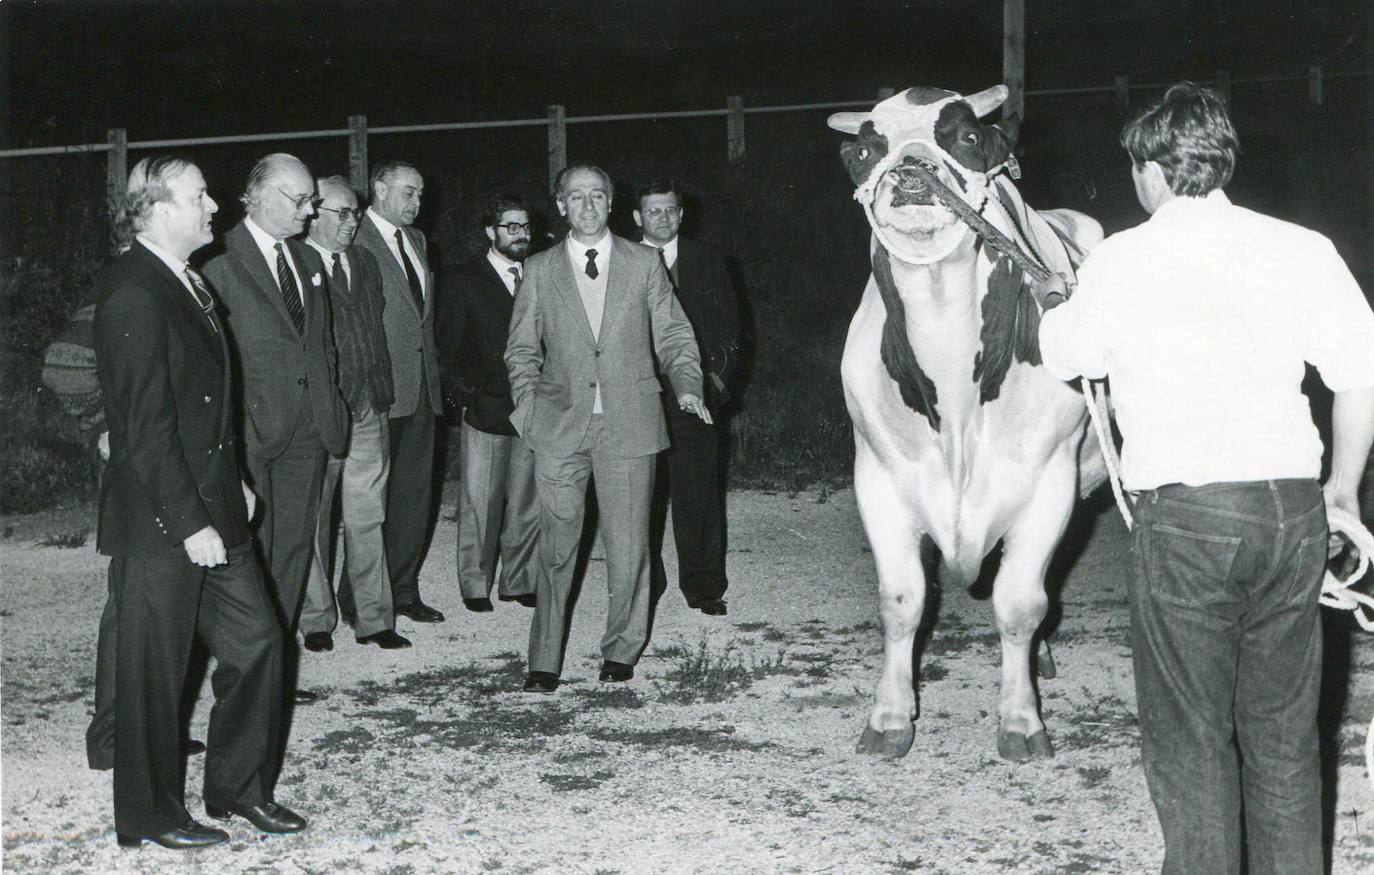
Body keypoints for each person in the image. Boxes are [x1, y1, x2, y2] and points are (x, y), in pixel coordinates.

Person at [1036, 82, 1374, 874]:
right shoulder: (1302, 247)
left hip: (1187, 519)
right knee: (1285, 742)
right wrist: (1344, 489)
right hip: (1290, 512)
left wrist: (1063, 299)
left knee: (1193, 745)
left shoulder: (1123, 257)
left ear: (1151, 170)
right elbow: (1361, 371)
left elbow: (1065, 355)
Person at [92, 155, 305, 849]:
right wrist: (190, 524)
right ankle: (151, 815)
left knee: (261, 642)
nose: (214, 206)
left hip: (212, 502)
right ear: (154, 209)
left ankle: (239, 788)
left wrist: (232, 480)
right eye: (199, 196)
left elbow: (203, 407)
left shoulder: (184, 281)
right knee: (156, 671)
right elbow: (143, 430)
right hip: (164, 521)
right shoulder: (133, 291)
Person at [506, 164, 708, 693]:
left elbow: (674, 333)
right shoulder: (540, 269)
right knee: (555, 547)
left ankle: (620, 650)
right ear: (561, 206)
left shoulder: (644, 263)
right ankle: (544, 659)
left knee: (628, 547)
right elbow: (521, 350)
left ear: (612, 203)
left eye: (598, 195)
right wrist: (527, 408)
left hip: (629, 423)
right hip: (559, 426)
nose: (588, 205)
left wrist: (687, 384)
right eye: (577, 197)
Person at [203, 153, 349, 705]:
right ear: (259, 196)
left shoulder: (308, 261)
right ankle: (237, 680)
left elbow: (320, 344)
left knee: (291, 554)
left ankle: (270, 677)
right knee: (245, 560)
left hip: (307, 432)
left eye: (312, 199)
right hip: (246, 437)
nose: (311, 211)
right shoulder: (217, 262)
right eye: (300, 200)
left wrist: (330, 406)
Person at [299, 176, 410, 651]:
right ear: (313, 215)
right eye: (341, 214)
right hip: (321, 411)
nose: (352, 223)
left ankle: (374, 619)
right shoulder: (295, 264)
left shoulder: (364, 262)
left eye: (356, 214)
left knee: (368, 513)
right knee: (315, 516)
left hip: (369, 404)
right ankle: (316, 618)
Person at [634, 179, 741, 616]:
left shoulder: (709, 261)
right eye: (653, 211)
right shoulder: (620, 261)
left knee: (697, 489)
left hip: (694, 395)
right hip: (638, 394)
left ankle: (703, 586)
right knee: (640, 494)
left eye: (670, 210)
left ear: (682, 214)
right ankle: (645, 585)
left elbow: (731, 329)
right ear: (638, 218)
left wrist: (713, 384)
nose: (663, 218)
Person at [437, 193, 540, 613]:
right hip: (486, 408)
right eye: (510, 227)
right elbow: (445, 348)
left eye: (526, 227)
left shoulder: (541, 274)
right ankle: (475, 583)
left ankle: (518, 580)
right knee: (480, 502)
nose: (520, 235)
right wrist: (468, 397)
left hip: (535, 406)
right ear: (490, 233)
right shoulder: (464, 280)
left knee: (528, 500)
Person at [353, 160, 446, 624]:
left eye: (421, 194)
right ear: (380, 190)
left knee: (412, 496)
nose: (417, 202)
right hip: (378, 388)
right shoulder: (353, 237)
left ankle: (403, 591)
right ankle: (359, 599)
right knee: (370, 501)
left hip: (422, 386)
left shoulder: (417, 240)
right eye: (408, 192)